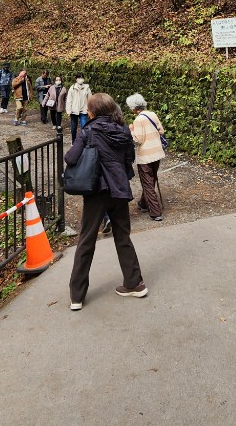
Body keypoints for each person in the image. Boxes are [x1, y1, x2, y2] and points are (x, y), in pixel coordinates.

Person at [66, 93, 147, 310]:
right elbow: (129, 159)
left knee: (86, 239)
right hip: (119, 188)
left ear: (93, 112)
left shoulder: (88, 130)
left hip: (97, 190)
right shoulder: (123, 130)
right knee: (123, 236)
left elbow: (71, 158)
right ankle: (134, 283)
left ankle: (77, 296)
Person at [126, 93, 166, 221]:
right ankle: (143, 203)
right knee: (151, 179)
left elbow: (138, 140)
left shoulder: (138, 120)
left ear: (134, 108)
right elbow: (161, 131)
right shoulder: (152, 114)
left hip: (145, 156)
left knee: (147, 182)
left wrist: (131, 130)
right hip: (157, 152)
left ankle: (156, 212)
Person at [66, 73, 92, 142]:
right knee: (73, 128)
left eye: (82, 78)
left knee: (84, 127)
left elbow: (90, 99)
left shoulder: (87, 88)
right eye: (79, 78)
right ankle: (73, 141)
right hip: (74, 110)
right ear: (76, 79)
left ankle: (83, 142)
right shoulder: (72, 88)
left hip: (84, 110)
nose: (80, 79)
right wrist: (68, 110)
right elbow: (69, 100)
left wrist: (90, 109)